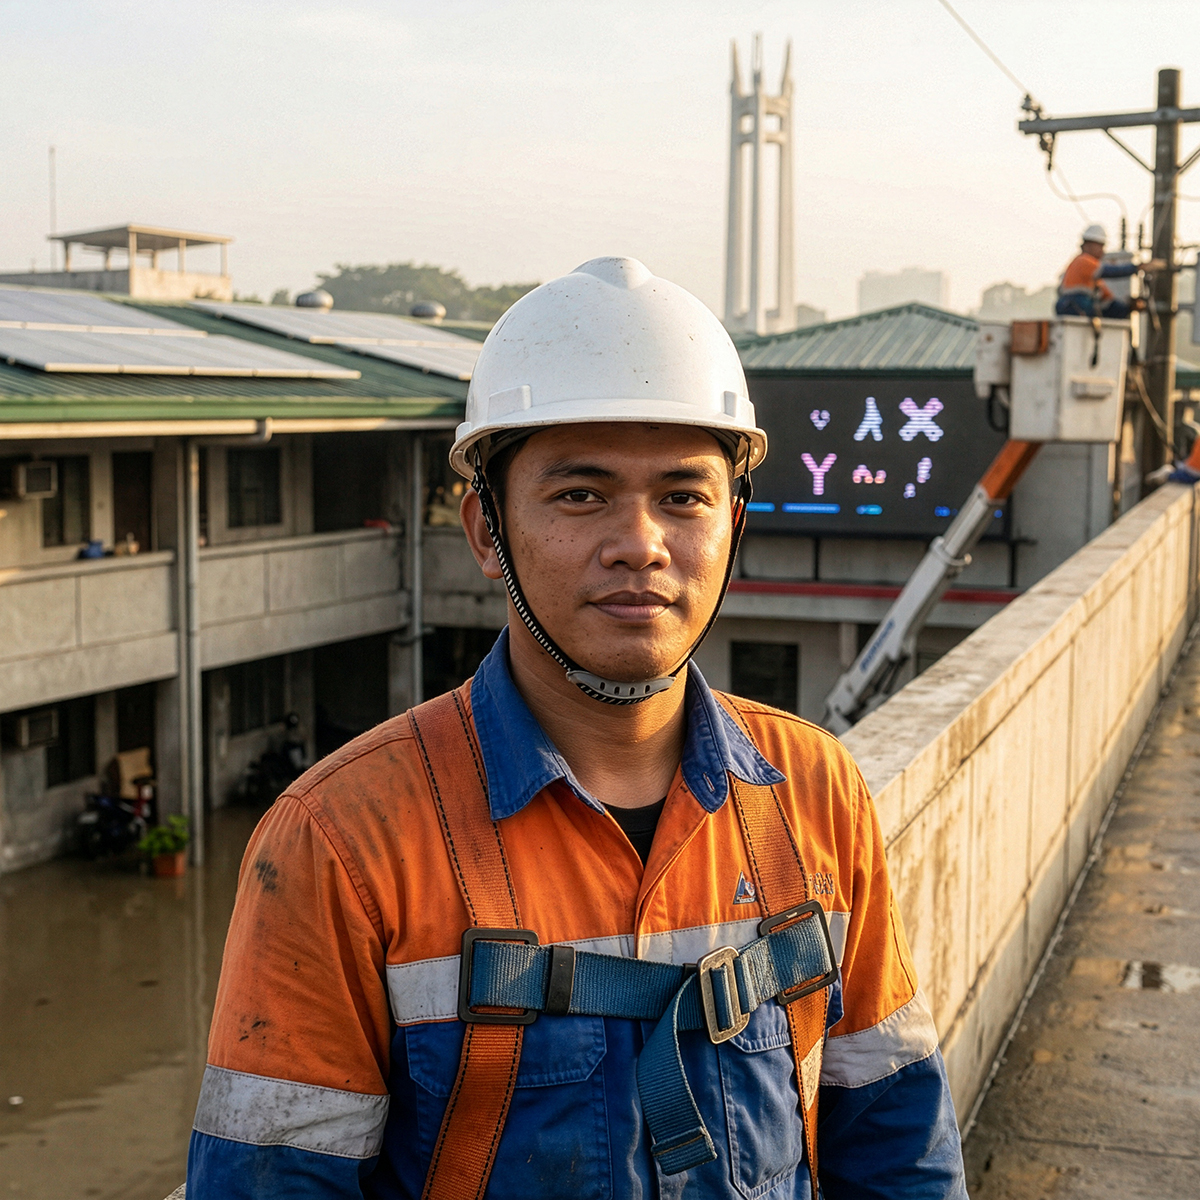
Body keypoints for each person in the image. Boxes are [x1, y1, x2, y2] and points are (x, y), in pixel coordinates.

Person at [186, 257, 967, 1199]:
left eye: (683, 496)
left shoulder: (814, 795)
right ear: (486, 531)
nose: (640, 542)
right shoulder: (343, 841)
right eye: (581, 494)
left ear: (734, 524)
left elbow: (896, 1146)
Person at [1056, 223, 1161, 319]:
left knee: (1113, 309)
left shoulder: (1092, 275)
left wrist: (1128, 306)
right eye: (1100, 246)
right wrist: (1138, 267)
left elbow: (1107, 298)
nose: (1102, 251)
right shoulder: (1083, 261)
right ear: (1089, 245)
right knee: (1100, 308)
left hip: (1075, 306)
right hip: (1073, 305)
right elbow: (1110, 271)